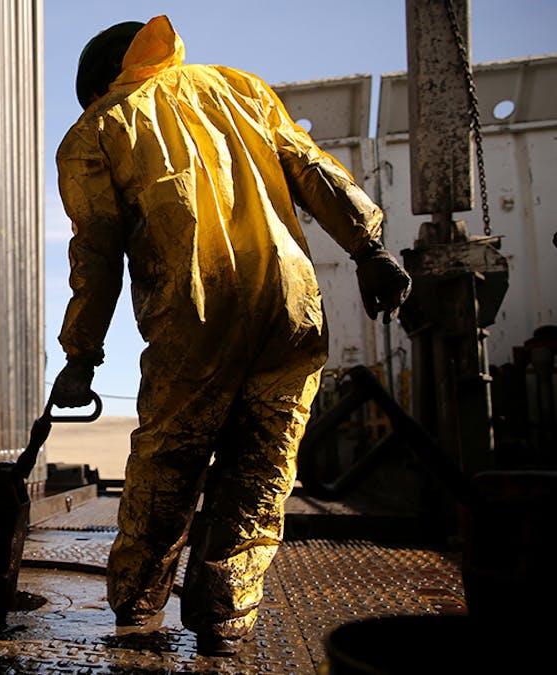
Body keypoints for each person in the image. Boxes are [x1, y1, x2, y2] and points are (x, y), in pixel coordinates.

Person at [49, 16, 411, 654]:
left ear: (100, 81)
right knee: (261, 470)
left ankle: (137, 608)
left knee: (168, 465)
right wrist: (369, 247)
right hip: (290, 308)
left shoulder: (97, 130)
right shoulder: (240, 87)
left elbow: (96, 254)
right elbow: (312, 168)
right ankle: (224, 620)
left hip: (198, 316)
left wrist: (81, 355)